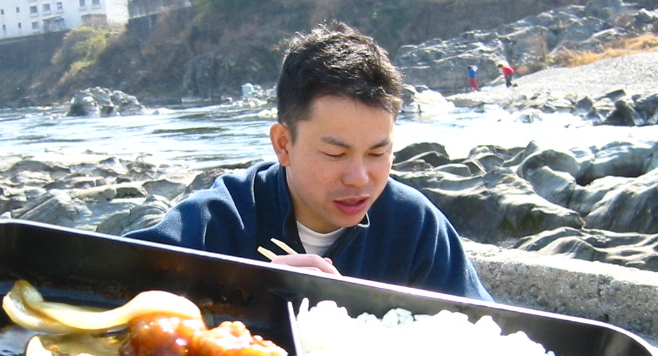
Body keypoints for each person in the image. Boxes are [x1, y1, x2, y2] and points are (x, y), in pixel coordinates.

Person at [127, 22, 492, 302]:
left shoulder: (414, 227)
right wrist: (242, 295)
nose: (359, 178)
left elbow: (486, 340)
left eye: (379, 153)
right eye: (336, 153)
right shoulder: (219, 220)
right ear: (283, 144)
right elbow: (101, 292)